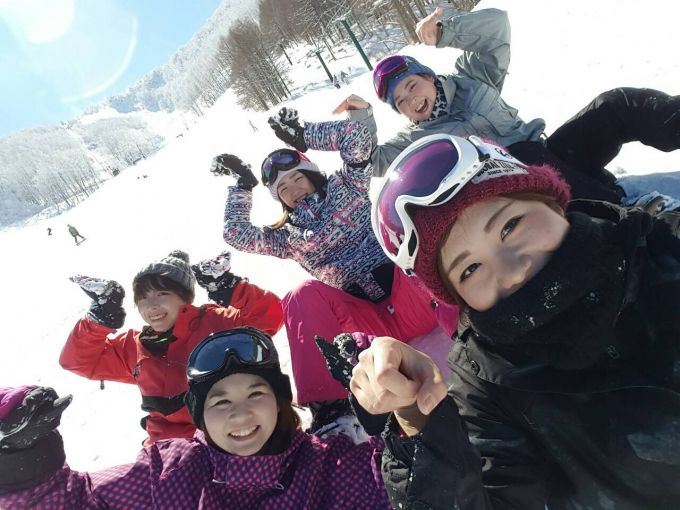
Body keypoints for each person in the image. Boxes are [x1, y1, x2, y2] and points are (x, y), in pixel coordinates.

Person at [349, 133, 680, 509]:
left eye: (510, 226)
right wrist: (418, 420)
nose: (513, 269)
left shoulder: (665, 245)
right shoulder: (489, 387)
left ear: (551, 203)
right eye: (470, 269)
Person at [213, 114, 446, 436]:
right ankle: (331, 409)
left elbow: (357, 136)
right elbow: (236, 234)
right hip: (367, 323)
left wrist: (304, 135)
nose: (293, 190)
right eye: (283, 189)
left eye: (298, 178)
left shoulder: (348, 186)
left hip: (410, 294)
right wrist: (242, 186)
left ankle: (475, 308)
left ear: (312, 175)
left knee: (415, 235)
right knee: (301, 295)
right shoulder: (287, 237)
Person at [0, 327, 392, 509]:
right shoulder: (170, 473)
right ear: (200, 417)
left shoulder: (328, 467)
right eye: (219, 401)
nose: (239, 413)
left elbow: (405, 486)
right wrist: (24, 459)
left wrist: (391, 415)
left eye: (256, 394)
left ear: (279, 402)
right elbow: (77, 501)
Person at [331, 7, 680, 207]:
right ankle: (625, 212)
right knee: (521, 153)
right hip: (518, 199)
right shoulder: (414, 139)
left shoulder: (471, 78)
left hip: (554, 158)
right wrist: (361, 118)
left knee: (614, 104)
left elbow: (498, 26)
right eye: (400, 102)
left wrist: (446, 32)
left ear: (428, 76)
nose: (411, 100)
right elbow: (373, 163)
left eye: (411, 86)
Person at [59, 250, 283, 445]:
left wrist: (229, 287)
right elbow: (78, 361)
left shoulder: (217, 323)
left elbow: (271, 315)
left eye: (162, 294)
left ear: (185, 297)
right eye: (143, 298)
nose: (152, 305)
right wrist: (98, 319)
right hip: (166, 453)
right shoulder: (135, 346)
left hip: (228, 439)